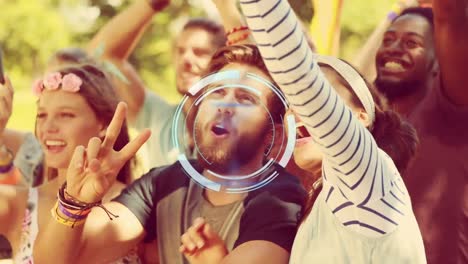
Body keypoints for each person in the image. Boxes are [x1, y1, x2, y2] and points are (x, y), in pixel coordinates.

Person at [185, 0, 424, 263]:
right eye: (290, 104)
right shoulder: (320, 208)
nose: (297, 110)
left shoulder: (369, 181)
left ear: (361, 117)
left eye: (312, 101)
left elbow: (296, 73)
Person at [34, 44, 306, 264]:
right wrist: (74, 202)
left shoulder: (280, 196)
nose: (225, 105)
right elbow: (58, 260)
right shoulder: (164, 183)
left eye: (245, 99)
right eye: (218, 92)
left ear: (275, 134)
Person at [0, 64, 150, 263]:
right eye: (42, 115)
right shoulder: (17, 204)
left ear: (103, 125)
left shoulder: (140, 209)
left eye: (66, 115)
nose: (48, 127)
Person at [88, 0, 226, 168]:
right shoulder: (159, 116)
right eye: (180, 51)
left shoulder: (237, 125)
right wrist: (152, 4)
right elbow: (101, 55)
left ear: (225, 62)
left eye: (200, 52)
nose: (185, 59)